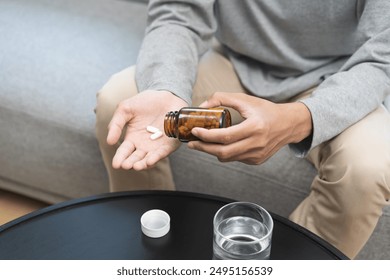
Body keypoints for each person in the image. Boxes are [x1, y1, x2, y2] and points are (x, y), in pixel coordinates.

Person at [95, 0, 390, 258]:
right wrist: (166, 88)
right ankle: (153, 254)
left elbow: (381, 56)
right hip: (235, 65)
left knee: (367, 168)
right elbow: (177, 12)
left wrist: (299, 119)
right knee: (120, 102)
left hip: (338, 78)